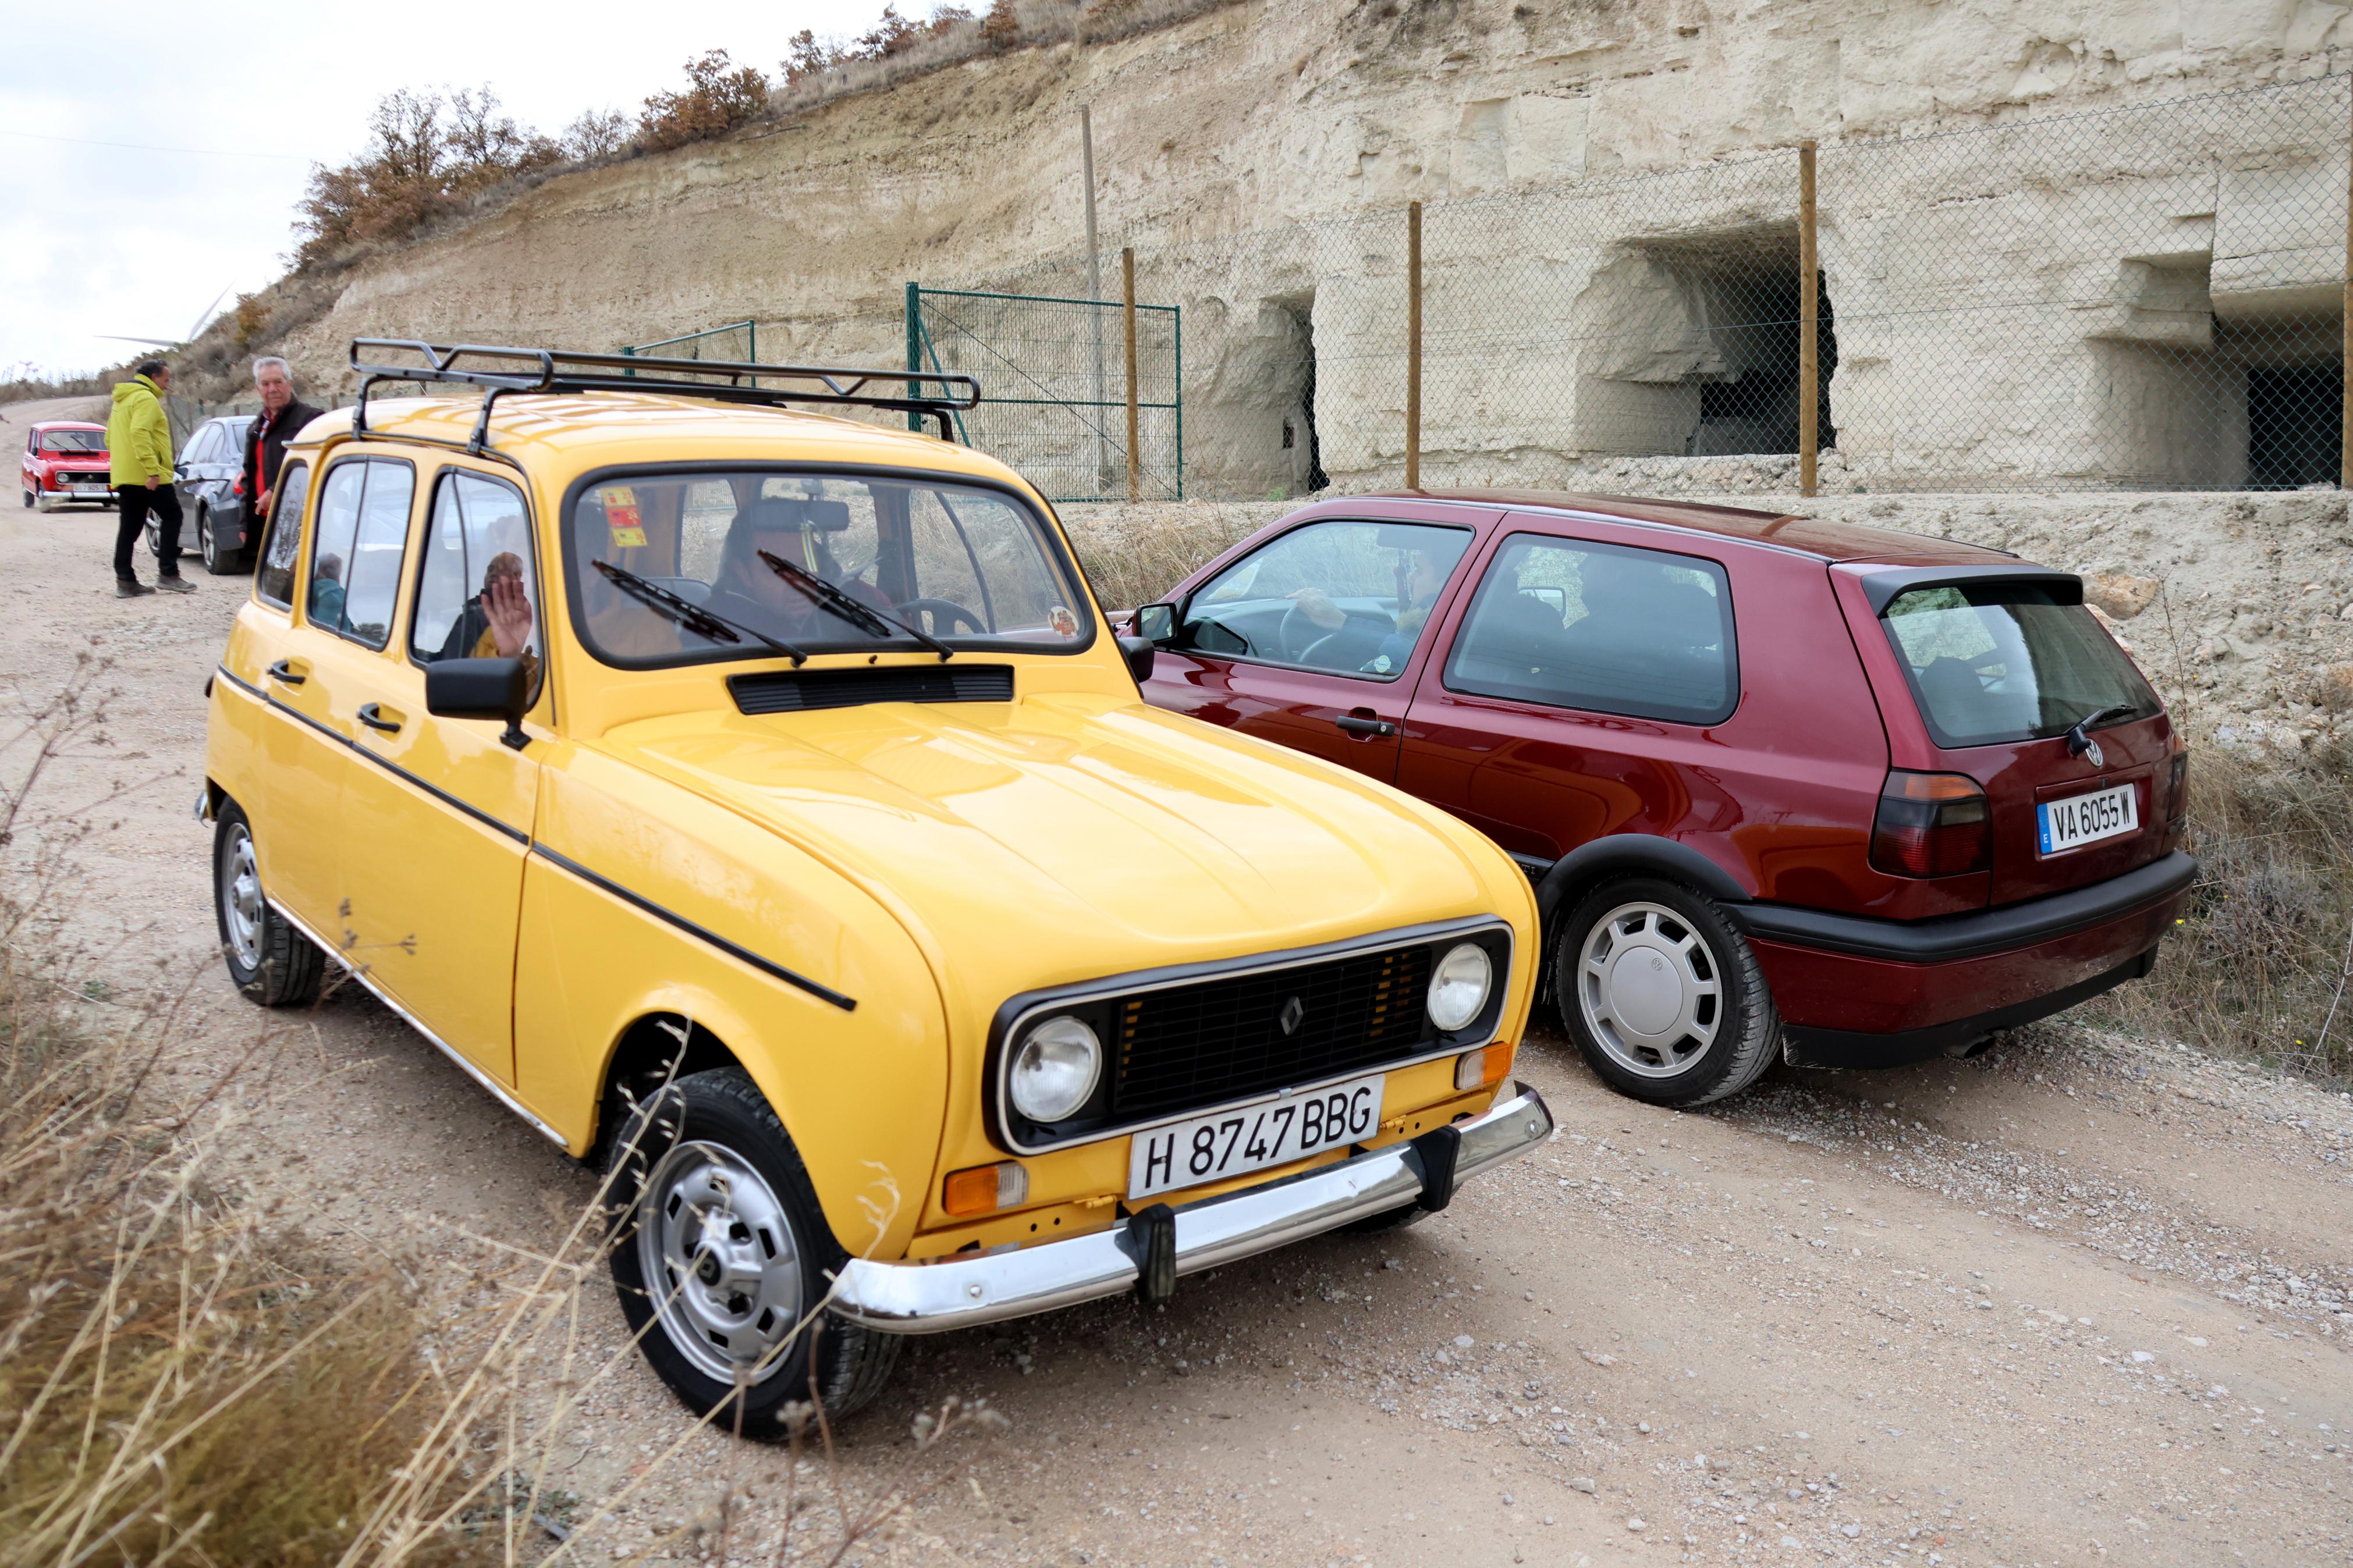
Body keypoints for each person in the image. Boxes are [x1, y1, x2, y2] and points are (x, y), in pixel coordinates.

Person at [107, 360, 189, 597]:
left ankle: (125, 581)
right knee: (173, 515)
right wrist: (152, 470)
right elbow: (139, 432)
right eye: (166, 380)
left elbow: (109, 439)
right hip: (148, 475)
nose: (167, 386)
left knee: (129, 528)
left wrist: (125, 465)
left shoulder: (121, 401)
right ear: (154, 377)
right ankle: (168, 574)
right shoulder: (145, 399)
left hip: (125, 475)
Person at [430, 551, 539, 688]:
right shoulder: (472, 611)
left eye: (501, 570)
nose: (493, 574)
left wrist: (509, 658)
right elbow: (447, 657)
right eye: (490, 570)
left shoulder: (518, 616)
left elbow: (493, 670)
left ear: (517, 577)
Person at [240, 357, 322, 527]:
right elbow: (248, 480)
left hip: (301, 521)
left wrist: (275, 492)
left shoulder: (312, 420)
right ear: (258, 388)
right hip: (263, 524)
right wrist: (245, 526)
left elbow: (311, 466)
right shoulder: (256, 428)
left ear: (290, 384)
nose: (272, 389)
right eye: (265, 384)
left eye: (278, 382)